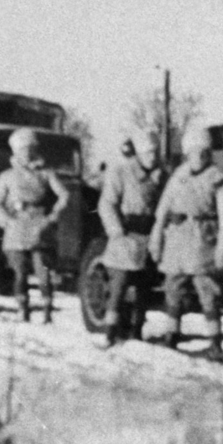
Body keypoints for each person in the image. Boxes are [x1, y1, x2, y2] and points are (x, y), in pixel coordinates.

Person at [148, 126, 223, 361]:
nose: (199, 155)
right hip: (177, 240)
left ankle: (215, 342)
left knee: (207, 290)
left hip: (203, 241)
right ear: (187, 152)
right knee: (173, 288)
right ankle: (171, 334)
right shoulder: (178, 176)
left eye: (204, 151)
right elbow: (162, 210)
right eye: (195, 151)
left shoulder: (218, 178)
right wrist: (157, 236)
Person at [0, 127, 70, 323]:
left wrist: (53, 216)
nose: (26, 153)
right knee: (20, 272)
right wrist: (5, 220)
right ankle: (22, 309)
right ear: (15, 152)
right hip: (16, 227)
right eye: (22, 149)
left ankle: (47, 311)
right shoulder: (7, 176)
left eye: (30, 149)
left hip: (40, 227)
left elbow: (64, 194)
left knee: (43, 271)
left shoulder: (46, 173)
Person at [98, 132, 166, 346]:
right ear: (139, 153)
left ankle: (137, 331)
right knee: (118, 287)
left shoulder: (162, 176)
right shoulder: (121, 172)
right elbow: (107, 203)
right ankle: (110, 332)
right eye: (148, 153)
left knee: (143, 289)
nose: (152, 157)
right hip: (125, 238)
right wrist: (115, 228)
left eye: (155, 153)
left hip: (149, 238)